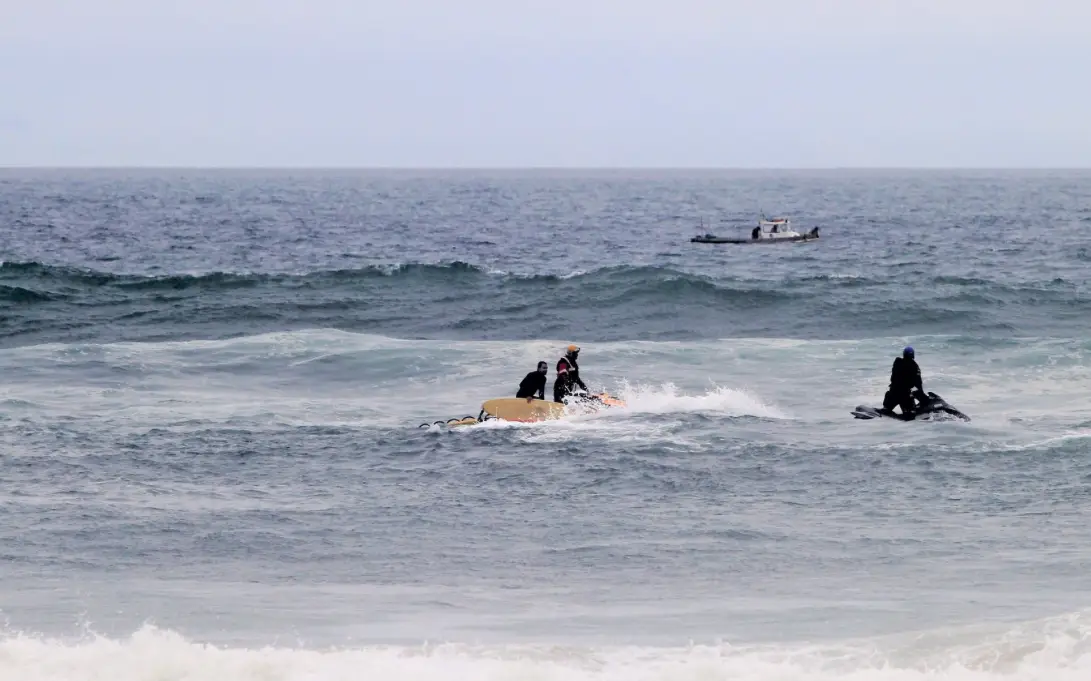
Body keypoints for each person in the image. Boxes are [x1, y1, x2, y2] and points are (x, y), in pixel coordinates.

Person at [883, 346, 924, 416]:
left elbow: (893, 378)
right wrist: (923, 399)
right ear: (913, 355)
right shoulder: (915, 366)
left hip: (893, 392)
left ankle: (886, 411)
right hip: (905, 395)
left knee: (886, 410)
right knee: (910, 415)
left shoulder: (897, 362)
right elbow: (918, 383)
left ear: (904, 354)